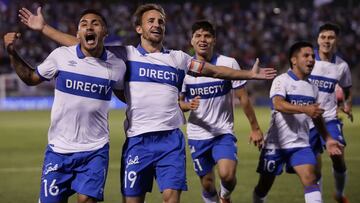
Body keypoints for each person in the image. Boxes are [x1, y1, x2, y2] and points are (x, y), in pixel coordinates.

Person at [18, 4, 276, 203]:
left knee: (171, 198)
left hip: (170, 140)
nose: (157, 24)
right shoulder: (125, 55)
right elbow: (82, 44)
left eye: (161, 21)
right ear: (139, 29)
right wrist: (44, 28)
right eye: (150, 20)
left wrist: (248, 74)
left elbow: (214, 71)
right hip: (137, 141)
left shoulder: (178, 59)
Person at [4, 9, 126, 203]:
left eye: (95, 23)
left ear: (105, 32)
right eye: (84, 23)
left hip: (95, 150)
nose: (89, 26)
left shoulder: (117, 66)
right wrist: (12, 53)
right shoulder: (60, 56)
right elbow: (30, 78)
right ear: (78, 34)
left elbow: (126, 96)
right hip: (59, 149)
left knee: (86, 200)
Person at [179, 20, 263, 203]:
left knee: (227, 174)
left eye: (207, 36)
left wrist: (255, 128)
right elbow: (179, 103)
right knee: (208, 184)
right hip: (197, 135)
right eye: (198, 36)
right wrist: (188, 105)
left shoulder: (228, 63)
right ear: (191, 41)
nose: (203, 40)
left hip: (222, 133)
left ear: (214, 40)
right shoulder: (184, 69)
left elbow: (243, 98)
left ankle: (225, 196)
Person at [252, 41, 343, 203]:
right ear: (294, 60)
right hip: (276, 145)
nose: (311, 59)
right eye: (306, 56)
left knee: (310, 178)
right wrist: (304, 109)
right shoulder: (282, 80)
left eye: (313, 56)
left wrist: (328, 139)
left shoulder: (312, 88)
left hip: (300, 145)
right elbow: (278, 104)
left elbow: (316, 116)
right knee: (263, 186)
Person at [308, 23, 353, 203]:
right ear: (318, 39)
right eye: (323, 37)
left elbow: (348, 90)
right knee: (314, 169)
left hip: (329, 118)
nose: (327, 41)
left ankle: (339, 194)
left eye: (331, 37)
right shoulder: (308, 60)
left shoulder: (342, 66)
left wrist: (346, 104)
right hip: (308, 121)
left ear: (337, 40)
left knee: (338, 156)